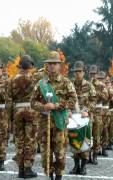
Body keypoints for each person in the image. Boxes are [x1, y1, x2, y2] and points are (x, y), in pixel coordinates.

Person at [30, 51, 77, 180]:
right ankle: (49, 175)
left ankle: (59, 176)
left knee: (60, 152)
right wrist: (43, 107)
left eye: (54, 64)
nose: (51, 66)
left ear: (59, 65)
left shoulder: (66, 82)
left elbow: (73, 100)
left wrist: (56, 106)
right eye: (49, 64)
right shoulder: (41, 83)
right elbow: (32, 102)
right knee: (46, 153)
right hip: (44, 123)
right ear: (46, 65)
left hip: (60, 122)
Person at [11, 55, 38, 178]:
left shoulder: (12, 80)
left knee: (19, 141)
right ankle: (28, 168)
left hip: (17, 111)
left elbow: (8, 99)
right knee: (30, 141)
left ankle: (20, 170)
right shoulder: (34, 79)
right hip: (31, 111)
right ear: (30, 66)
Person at [69, 61, 96, 175]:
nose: (77, 74)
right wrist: (68, 110)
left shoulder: (89, 85)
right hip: (73, 117)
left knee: (85, 142)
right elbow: (65, 99)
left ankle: (83, 166)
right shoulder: (69, 84)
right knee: (74, 141)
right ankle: (76, 166)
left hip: (84, 117)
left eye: (79, 71)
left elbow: (93, 100)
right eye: (76, 72)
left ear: (84, 72)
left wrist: (87, 111)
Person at [88, 65, 107, 164]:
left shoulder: (101, 85)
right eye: (91, 73)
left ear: (97, 74)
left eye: (94, 74)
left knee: (96, 135)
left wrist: (96, 93)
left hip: (98, 113)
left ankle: (95, 155)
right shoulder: (86, 84)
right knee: (88, 135)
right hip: (88, 112)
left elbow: (105, 97)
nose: (92, 75)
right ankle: (87, 156)